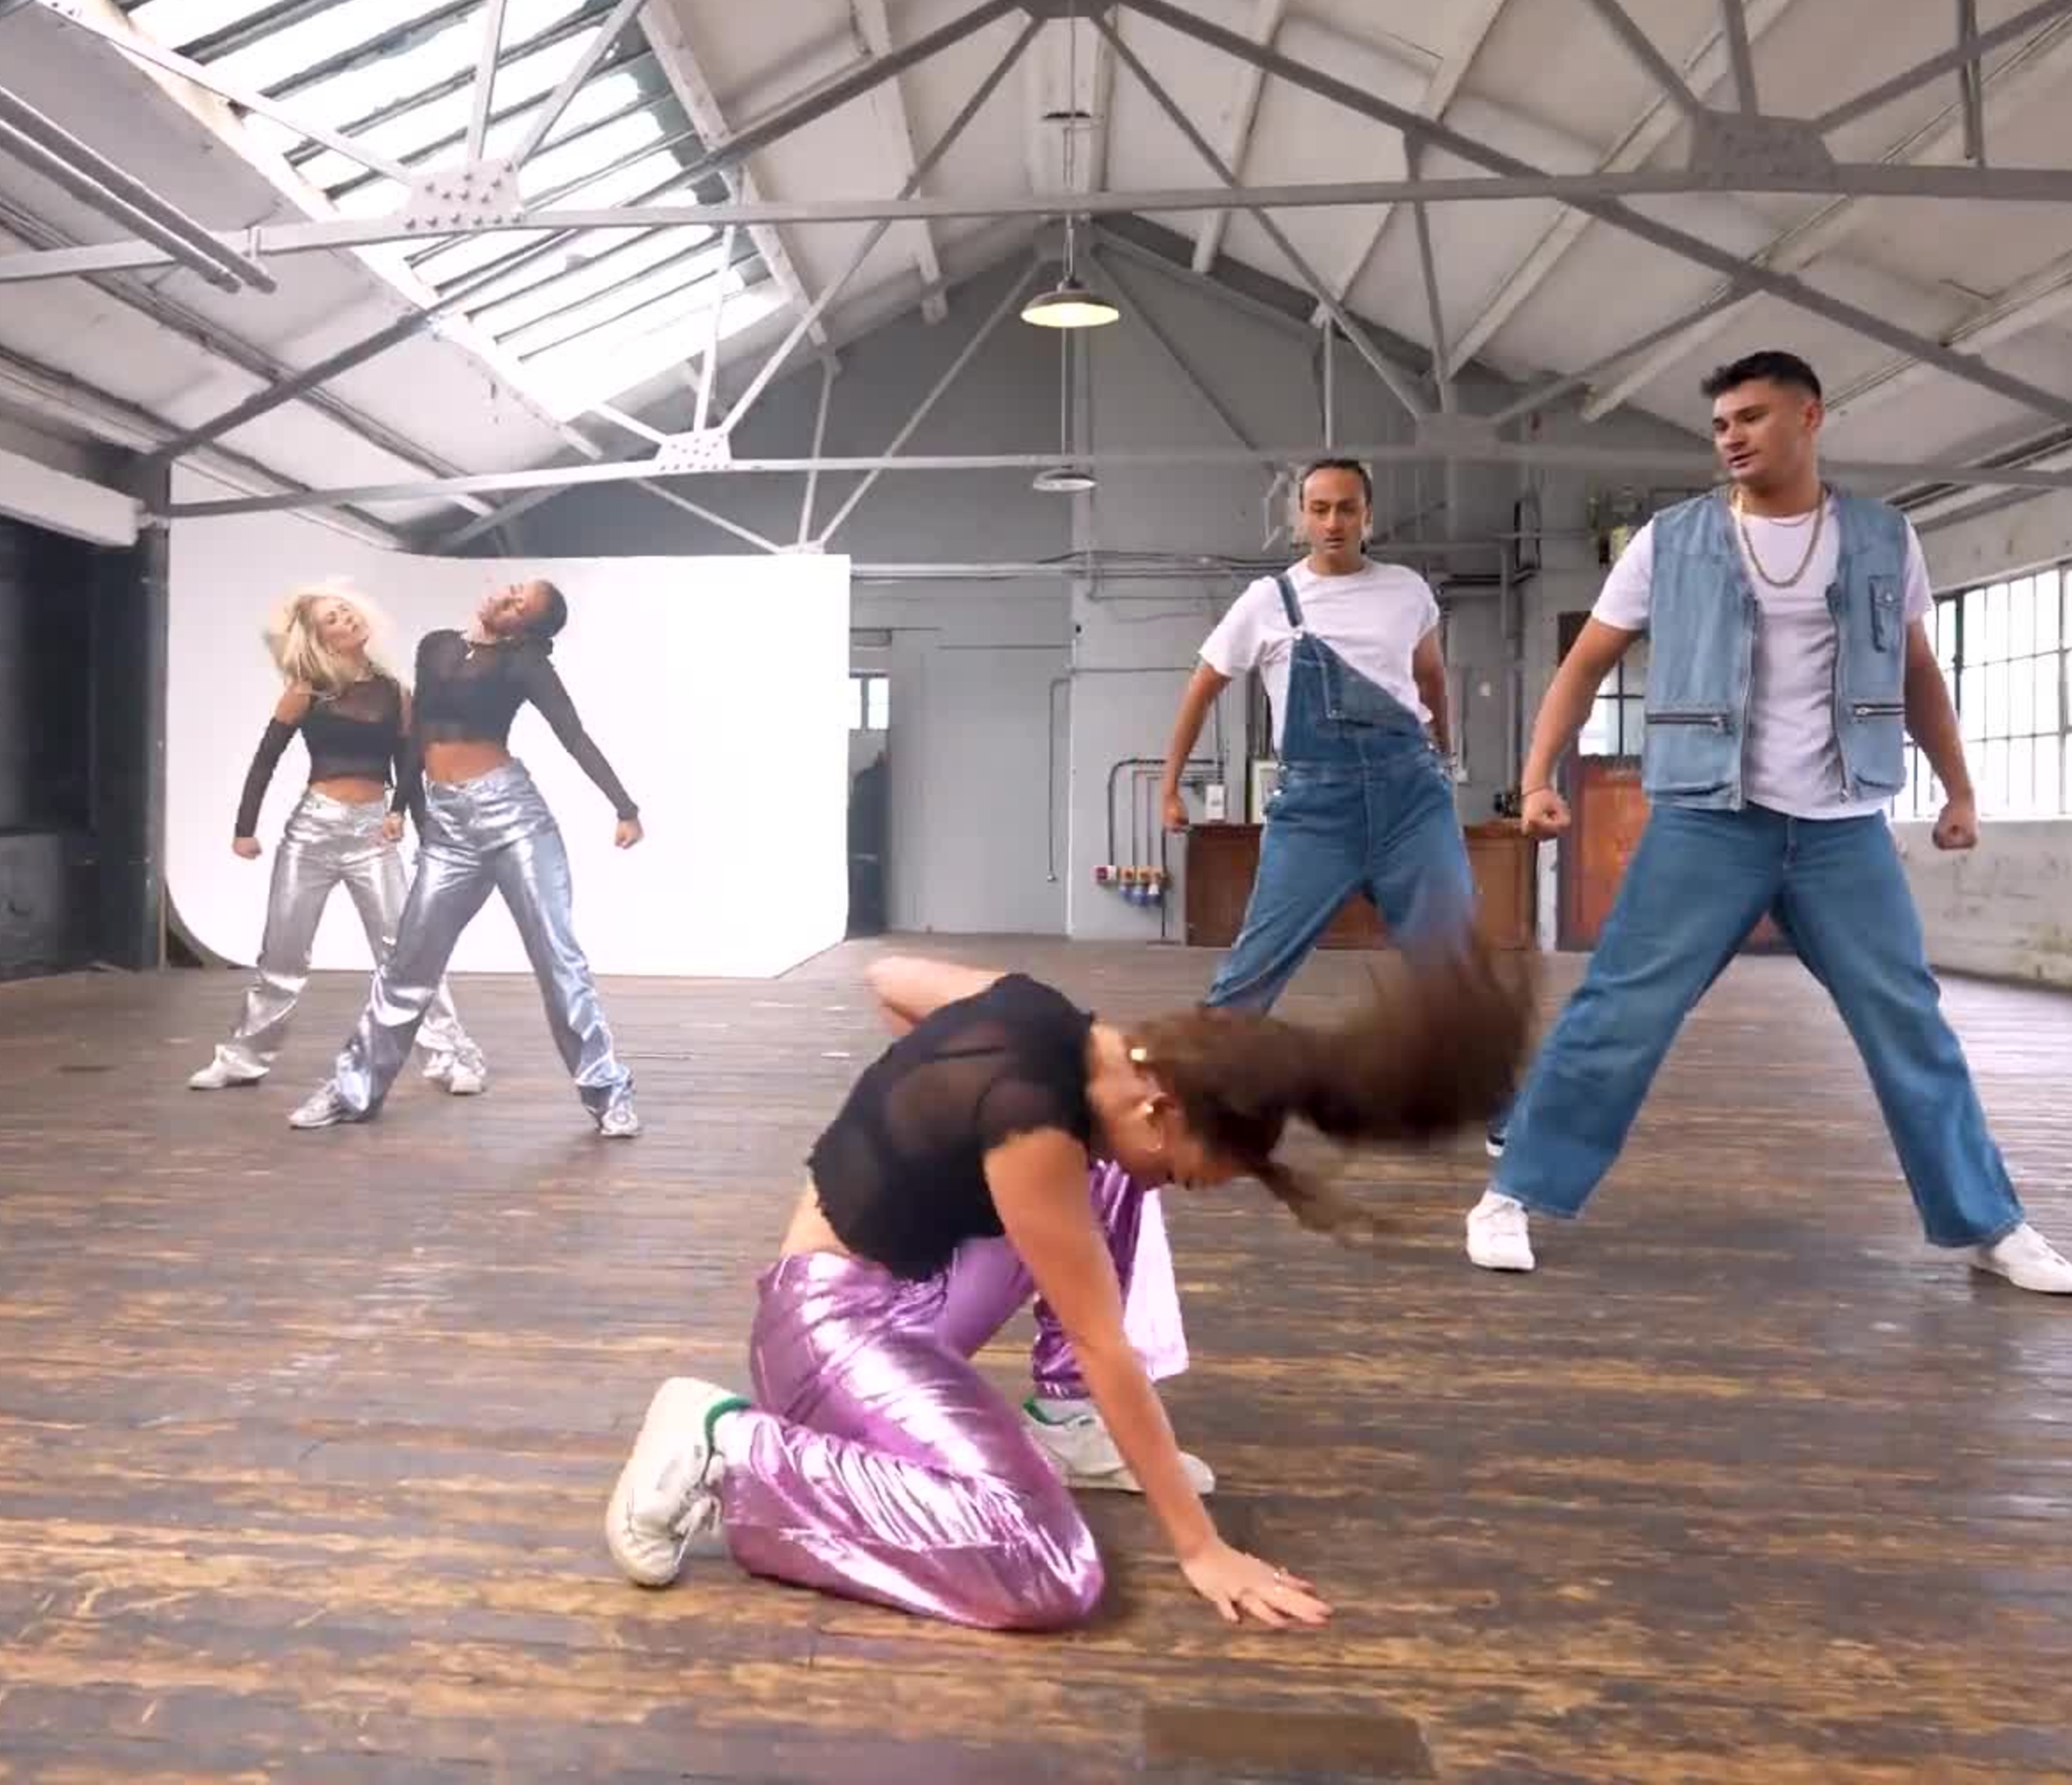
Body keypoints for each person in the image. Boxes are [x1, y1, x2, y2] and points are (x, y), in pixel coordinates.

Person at [602, 947, 1535, 1632]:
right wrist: (1201, 1548)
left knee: (1117, 1176)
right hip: (829, 1330)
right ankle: (727, 1447)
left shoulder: (1059, 1027)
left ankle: (1062, 1421)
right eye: (1185, 1169)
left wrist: (930, 1101)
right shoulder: (1033, 1122)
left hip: (910, 1290)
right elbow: (1104, 1342)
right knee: (1046, 1567)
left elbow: (890, 978)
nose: (1179, 1185)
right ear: (1163, 1106)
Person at [1466, 349, 2072, 1295]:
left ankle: (1987, 1224)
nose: (1732, 437)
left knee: (1909, 1024)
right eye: (1721, 425)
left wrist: (1958, 789)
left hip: (1843, 827)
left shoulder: (1883, 537)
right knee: (1621, 1013)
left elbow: (1917, 671)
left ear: (1810, 417)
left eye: (1751, 417)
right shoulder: (1671, 541)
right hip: (1709, 822)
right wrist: (1535, 775)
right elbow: (1586, 662)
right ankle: (1513, 1194)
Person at [293, 577, 645, 1137]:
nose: (505, 598)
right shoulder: (436, 646)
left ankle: (608, 1093)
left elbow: (572, 734)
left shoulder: (525, 665)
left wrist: (624, 807)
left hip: (515, 820)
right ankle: (352, 1089)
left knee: (557, 959)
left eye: (519, 606)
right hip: (449, 826)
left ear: (524, 629)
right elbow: (419, 734)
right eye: (513, 590)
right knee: (408, 965)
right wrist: (402, 807)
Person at [1163, 457, 1476, 1007]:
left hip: (1412, 801)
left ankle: (1470, 1064)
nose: (1334, 522)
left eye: (1347, 509)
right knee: (1250, 976)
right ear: (1302, 517)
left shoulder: (1406, 590)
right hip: (1314, 813)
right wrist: (1169, 787)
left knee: (1454, 965)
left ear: (1368, 515)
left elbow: (1431, 677)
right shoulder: (1270, 600)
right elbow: (1201, 688)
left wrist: (1445, 757)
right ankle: (1199, 1061)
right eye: (1320, 509)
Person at [187, 584, 485, 1097]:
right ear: (319, 638)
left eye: (346, 611)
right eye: (332, 619)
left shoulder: (395, 692)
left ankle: (448, 1059)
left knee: (407, 953)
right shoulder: (307, 690)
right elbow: (264, 761)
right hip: (313, 831)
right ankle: (240, 1059)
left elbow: (409, 768)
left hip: (372, 833)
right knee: (282, 954)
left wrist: (418, 828)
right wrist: (244, 829)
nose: (346, 620)